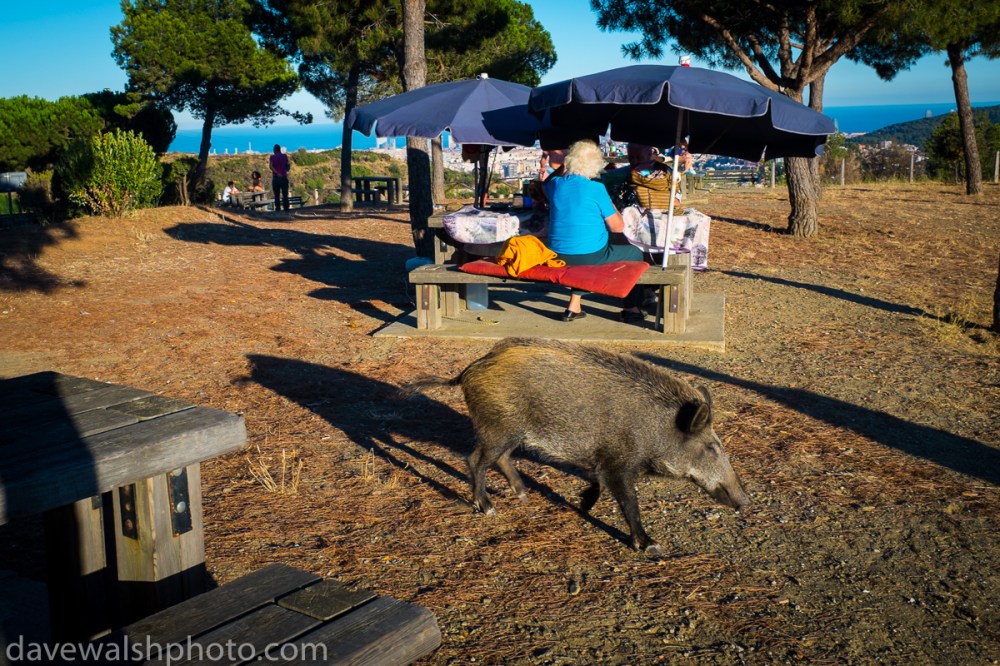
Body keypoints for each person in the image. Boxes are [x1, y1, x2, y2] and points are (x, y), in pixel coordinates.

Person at [543, 140, 647, 324]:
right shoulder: (596, 188)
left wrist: (565, 165)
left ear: (571, 160)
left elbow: (546, 183)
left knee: (582, 247)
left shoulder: (556, 186)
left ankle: (574, 306)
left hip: (557, 254)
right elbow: (617, 227)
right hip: (589, 255)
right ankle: (631, 308)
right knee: (635, 253)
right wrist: (611, 205)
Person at [269, 144, 291, 211]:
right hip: (283, 177)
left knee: (276, 194)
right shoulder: (284, 156)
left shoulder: (272, 157)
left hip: (276, 177)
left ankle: (278, 208)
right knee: (285, 194)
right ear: (280, 149)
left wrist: (276, 172)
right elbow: (287, 167)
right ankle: (286, 207)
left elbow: (271, 166)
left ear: (274, 150)